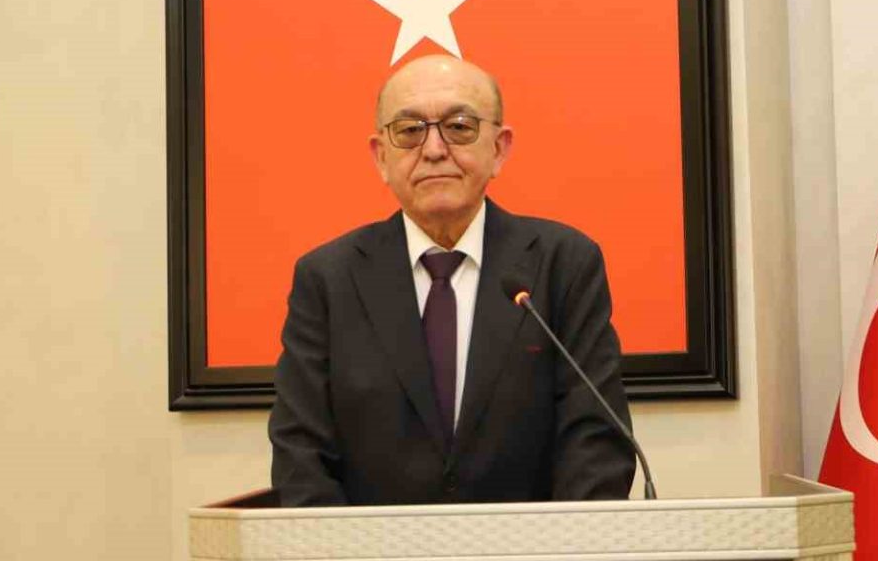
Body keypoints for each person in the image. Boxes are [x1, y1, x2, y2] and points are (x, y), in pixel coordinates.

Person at [268, 55, 634, 505]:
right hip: (369, 550)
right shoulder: (328, 279)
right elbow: (301, 453)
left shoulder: (563, 264)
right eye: (409, 131)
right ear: (381, 157)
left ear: (499, 149)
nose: (434, 149)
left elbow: (595, 441)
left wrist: (560, 546)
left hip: (535, 548)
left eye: (459, 127)